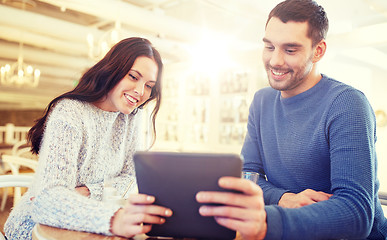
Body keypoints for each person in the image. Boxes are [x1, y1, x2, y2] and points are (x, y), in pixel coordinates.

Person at [196, 0, 387, 239]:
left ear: (318, 51)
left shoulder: (347, 104)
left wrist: (269, 220)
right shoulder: (262, 101)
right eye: (269, 47)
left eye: (290, 50)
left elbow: (356, 213)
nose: (275, 61)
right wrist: (284, 199)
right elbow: (247, 175)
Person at [4, 37, 173, 239]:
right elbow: (48, 199)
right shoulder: (70, 111)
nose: (140, 91)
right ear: (113, 70)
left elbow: (129, 178)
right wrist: (113, 219)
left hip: (92, 220)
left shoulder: (131, 118)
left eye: (149, 86)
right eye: (133, 77)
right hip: (36, 226)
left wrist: (89, 192)